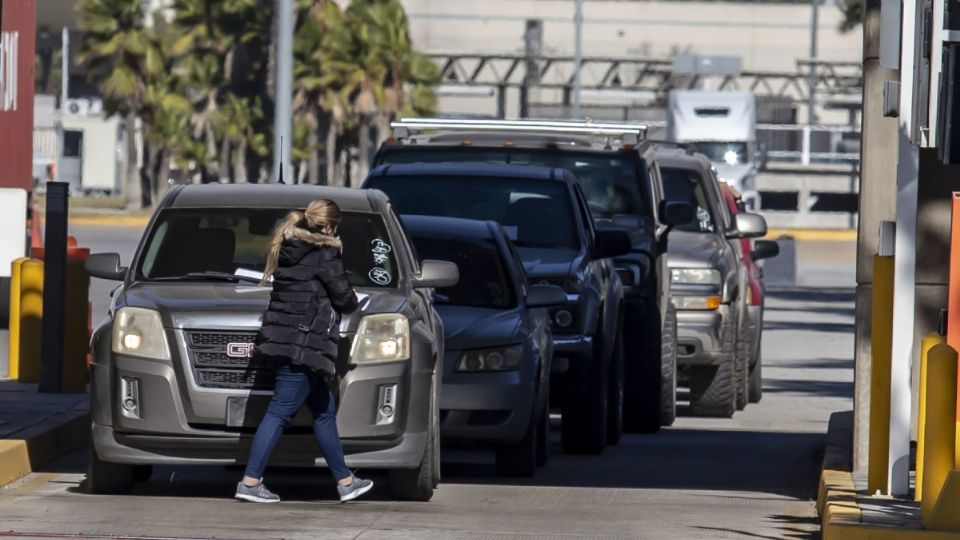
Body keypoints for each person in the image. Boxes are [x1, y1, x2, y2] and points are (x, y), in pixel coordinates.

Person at [235, 199, 373, 504]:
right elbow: (345, 299)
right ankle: (250, 482)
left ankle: (346, 482)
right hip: (303, 346)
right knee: (280, 412)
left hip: (282, 340)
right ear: (328, 226)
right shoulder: (325, 254)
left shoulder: (289, 250)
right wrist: (352, 298)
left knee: (323, 412)